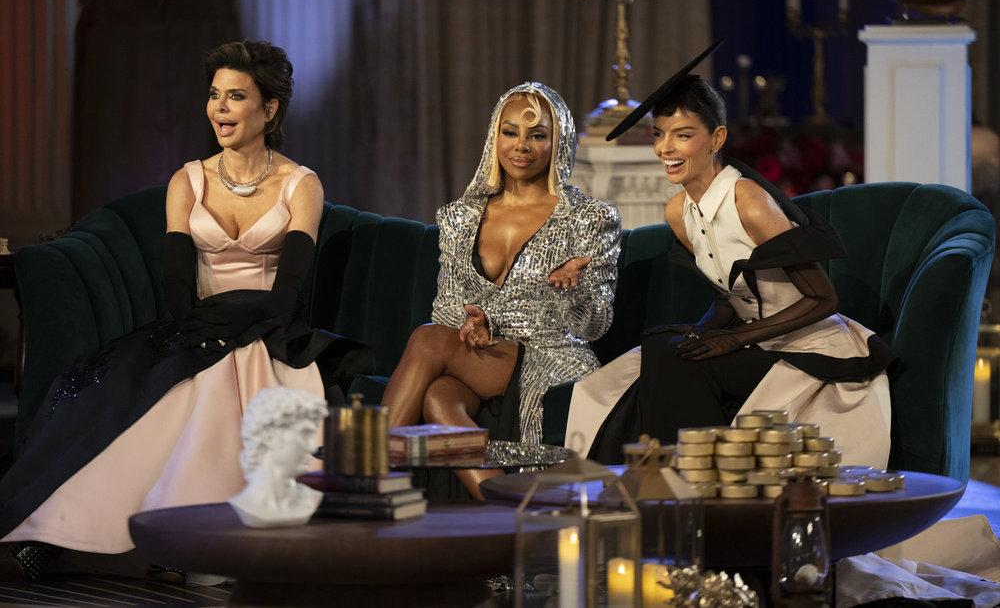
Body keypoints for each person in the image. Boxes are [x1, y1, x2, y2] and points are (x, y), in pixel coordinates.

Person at [0, 40, 369, 580]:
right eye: (214, 95)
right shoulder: (188, 179)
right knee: (127, 394)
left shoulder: (301, 184)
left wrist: (243, 323)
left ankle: (191, 542)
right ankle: (54, 535)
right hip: (197, 323)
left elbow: (289, 287)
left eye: (236, 96)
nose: (219, 108)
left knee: (230, 370)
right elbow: (174, 277)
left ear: (269, 109)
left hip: (271, 327)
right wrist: (190, 324)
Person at [569, 41, 896, 468]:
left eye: (683, 135)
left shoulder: (749, 201)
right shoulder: (678, 212)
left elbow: (824, 299)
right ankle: (663, 480)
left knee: (676, 364)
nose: (666, 149)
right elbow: (727, 299)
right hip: (756, 341)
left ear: (717, 138)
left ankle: (689, 482)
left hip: (809, 346)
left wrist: (735, 338)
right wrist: (702, 332)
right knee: (663, 349)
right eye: (659, 135)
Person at [380, 82, 621, 499]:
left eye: (537, 135)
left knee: (426, 339)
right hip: (484, 355)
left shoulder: (590, 218)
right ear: (495, 136)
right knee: (439, 396)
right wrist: (472, 326)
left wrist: (573, 289)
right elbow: (447, 309)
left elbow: (595, 326)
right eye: (510, 132)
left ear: (559, 143)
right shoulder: (459, 217)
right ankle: (505, 505)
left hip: (551, 355)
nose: (521, 146)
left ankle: (368, 475)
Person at [72, 0, 240, 218]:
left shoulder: (213, 2)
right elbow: (93, 100)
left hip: (193, 138)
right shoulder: (106, 2)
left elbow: (233, 85)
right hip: (125, 150)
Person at [229, 387, 328, 529]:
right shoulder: (244, 504)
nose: (312, 448)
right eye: (305, 434)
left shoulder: (311, 499)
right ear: (269, 437)